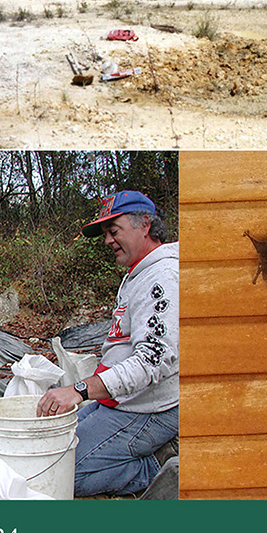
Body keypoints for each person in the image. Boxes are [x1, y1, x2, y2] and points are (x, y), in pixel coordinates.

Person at [37, 191, 179, 498]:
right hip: (121, 401)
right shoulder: (137, 273)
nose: (107, 241)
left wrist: (79, 390)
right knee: (49, 447)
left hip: (150, 409)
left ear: (145, 225)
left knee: (61, 476)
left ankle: (158, 463)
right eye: (105, 234)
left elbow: (152, 360)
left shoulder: (163, 278)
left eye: (113, 231)